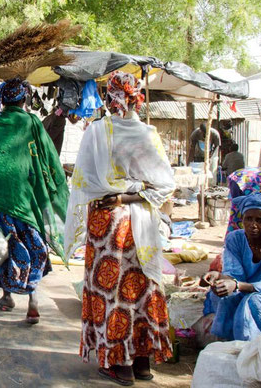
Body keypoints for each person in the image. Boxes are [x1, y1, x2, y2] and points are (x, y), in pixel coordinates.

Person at [64, 71, 176, 385]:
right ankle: (141, 363)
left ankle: (119, 364)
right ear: (134, 96)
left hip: (107, 222)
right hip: (141, 219)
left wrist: (113, 195)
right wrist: (130, 194)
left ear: (109, 96)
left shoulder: (97, 131)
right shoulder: (149, 134)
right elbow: (165, 184)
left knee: (110, 291)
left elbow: (83, 181)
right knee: (140, 289)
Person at [0, 78, 68, 325]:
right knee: (32, 245)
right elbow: (47, 155)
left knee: (3, 249)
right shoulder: (31, 122)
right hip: (26, 197)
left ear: (3, 99)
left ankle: (7, 297)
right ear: (23, 99)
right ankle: (33, 301)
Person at [202, 193, 261, 341]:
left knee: (253, 301)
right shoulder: (235, 238)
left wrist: (237, 285)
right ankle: (228, 340)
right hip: (244, 288)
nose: (253, 225)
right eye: (248, 219)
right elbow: (234, 273)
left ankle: (252, 342)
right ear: (242, 221)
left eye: (260, 220)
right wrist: (219, 277)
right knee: (224, 295)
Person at [225, 167, 261, 235]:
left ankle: (234, 235)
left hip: (237, 177)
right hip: (244, 182)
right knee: (251, 214)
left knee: (237, 212)